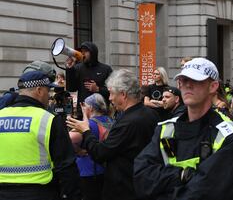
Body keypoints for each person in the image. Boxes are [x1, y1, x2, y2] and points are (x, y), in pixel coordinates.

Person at [133, 57, 233, 200]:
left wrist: (164, 184)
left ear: (213, 86)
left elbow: (208, 193)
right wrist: (183, 176)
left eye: (195, 80)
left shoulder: (231, 137)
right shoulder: (166, 129)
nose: (187, 85)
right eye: (183, 80)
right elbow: (141, 178)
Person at [66, 69, 160, 200]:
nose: (109, 98)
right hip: (144, 184)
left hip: (125, 187)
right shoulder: (151, 114)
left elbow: (100, 153)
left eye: (111, 93)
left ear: (123, 94)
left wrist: (86, 131)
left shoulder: (128, 122)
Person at [0, 70, 80, 200]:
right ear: (39, 90)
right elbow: (66, 166)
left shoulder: (1, 115)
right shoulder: (48, 119)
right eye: (48, 91)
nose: (50, 96)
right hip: (39, 192)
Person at [70, 93, 114, 200]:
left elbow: (70, 138)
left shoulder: (88, 125)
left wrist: (78, 150)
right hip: (107, 170)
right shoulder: (111, 120)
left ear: (90, 107)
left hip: (88, 170)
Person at [66, 41, 113, 119]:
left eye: (86, 51)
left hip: (101, 114)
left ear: (93, 53)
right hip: (83, 113)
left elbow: (112, 91)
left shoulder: (106, 69)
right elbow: (71, 88)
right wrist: (69, 70)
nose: (83, 54)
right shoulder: (78, 68)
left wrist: (98, 89)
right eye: (82, 51)